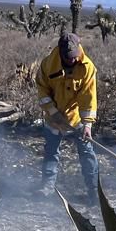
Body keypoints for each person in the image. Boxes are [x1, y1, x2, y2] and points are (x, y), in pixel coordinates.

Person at [36, 30, 99, 198]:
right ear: (60, 52)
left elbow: (89, 97)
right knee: (51, 152)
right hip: (54, 119)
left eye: (74, 55)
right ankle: (47, 188)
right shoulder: (48, 65)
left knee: (86, 152)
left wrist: (87, 124)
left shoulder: (87, 67)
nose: (72, 59)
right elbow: (42, 90)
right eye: (68, 56)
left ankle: (94, 191)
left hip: (76, 119)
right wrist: (52, 111)